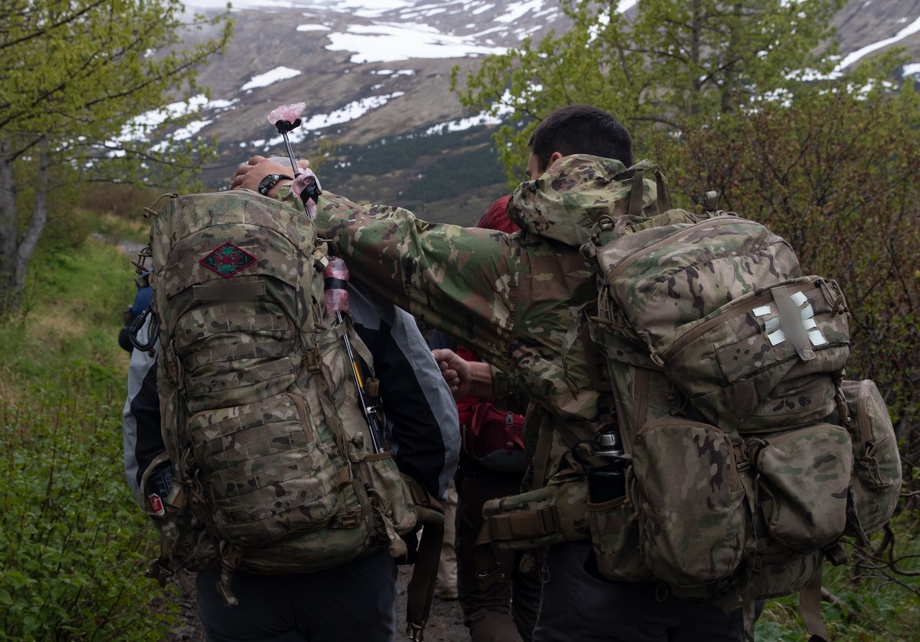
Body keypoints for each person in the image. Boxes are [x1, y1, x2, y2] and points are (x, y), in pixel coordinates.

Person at [230, 104, 751, 641]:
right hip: (718, 541)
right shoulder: (689, 253)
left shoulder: (533, 266)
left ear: (554, 164)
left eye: (530, 176)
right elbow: (632, 385)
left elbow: (400, 247)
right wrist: (487, 380)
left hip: (610, 553)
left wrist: (283, 184)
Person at [122, 281, 461, 642]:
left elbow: (142, 446)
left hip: (233, 572)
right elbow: (436, 431)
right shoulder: (353, 288)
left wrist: (191, 532)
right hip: (352, 565)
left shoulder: (172, 298)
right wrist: (399, 515)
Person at [429, 194, 541, 642]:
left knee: (489, 600)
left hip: (488, 470)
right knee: (536, 589)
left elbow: (436, 384)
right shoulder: (564, 287)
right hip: (552, 467)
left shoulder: (465, 297)